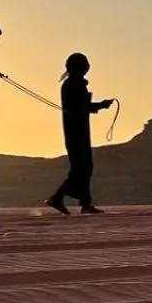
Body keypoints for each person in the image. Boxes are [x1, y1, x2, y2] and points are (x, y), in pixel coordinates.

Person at [45, 52, 115, 215]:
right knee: (81, 167)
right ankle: (60, 197)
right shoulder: (74, 84)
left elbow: (81, 106)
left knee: (83, 167)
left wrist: (98, 106)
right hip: (77, 131)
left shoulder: (73, 84)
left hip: (77, 131)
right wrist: (101, 105)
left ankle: (83, 203)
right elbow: (81, 107)